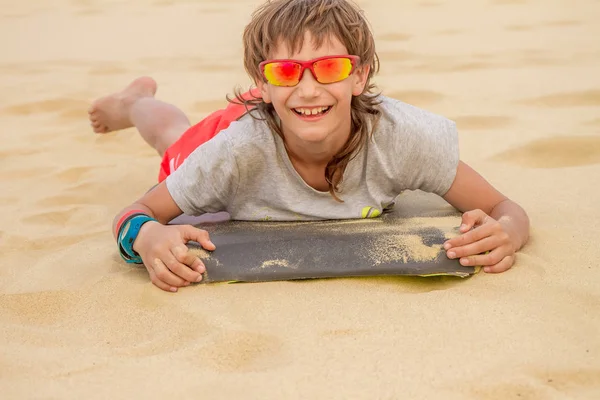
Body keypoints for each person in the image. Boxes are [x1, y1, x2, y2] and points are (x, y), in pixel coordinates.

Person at [89, 0, 530, 293]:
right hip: (246, 134)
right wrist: (145, 236)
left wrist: (508, 232)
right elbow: (134, 214)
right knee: (174, 139)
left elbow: (505, 207)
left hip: (278, 117)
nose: (308, 88)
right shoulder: (231, 155)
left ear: (359, 76)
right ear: (260, 82)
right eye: (285, 72)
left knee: (292, 107)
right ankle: (136, 102)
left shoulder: (404, 139)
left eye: (330, 68)